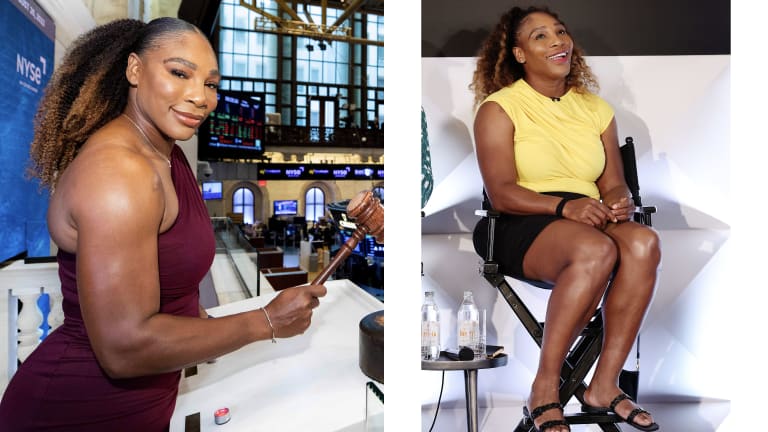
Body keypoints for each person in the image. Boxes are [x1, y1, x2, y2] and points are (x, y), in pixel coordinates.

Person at [0, 17, 326, 431]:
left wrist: (215, 328)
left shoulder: (167, 154)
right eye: (178, 73)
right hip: (77, 411)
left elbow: (167, 298)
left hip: (143, 408)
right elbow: (123, 349)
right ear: (135, 70)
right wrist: (264, 322)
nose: (199, 97)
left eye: (210, 84)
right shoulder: (120, 172)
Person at [470, 6, 660, 432]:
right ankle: (544, 388)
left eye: (560, 32)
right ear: (518, 53)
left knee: (644, 242)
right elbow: (502, 190)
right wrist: (563, 206)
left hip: (587, 216)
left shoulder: (596, 109)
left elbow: (613, 182)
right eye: (541, 36)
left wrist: (619, 201)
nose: (557, 41)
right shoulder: (499, 108)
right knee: (595, 249)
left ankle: (604, 386)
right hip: (518, 219)